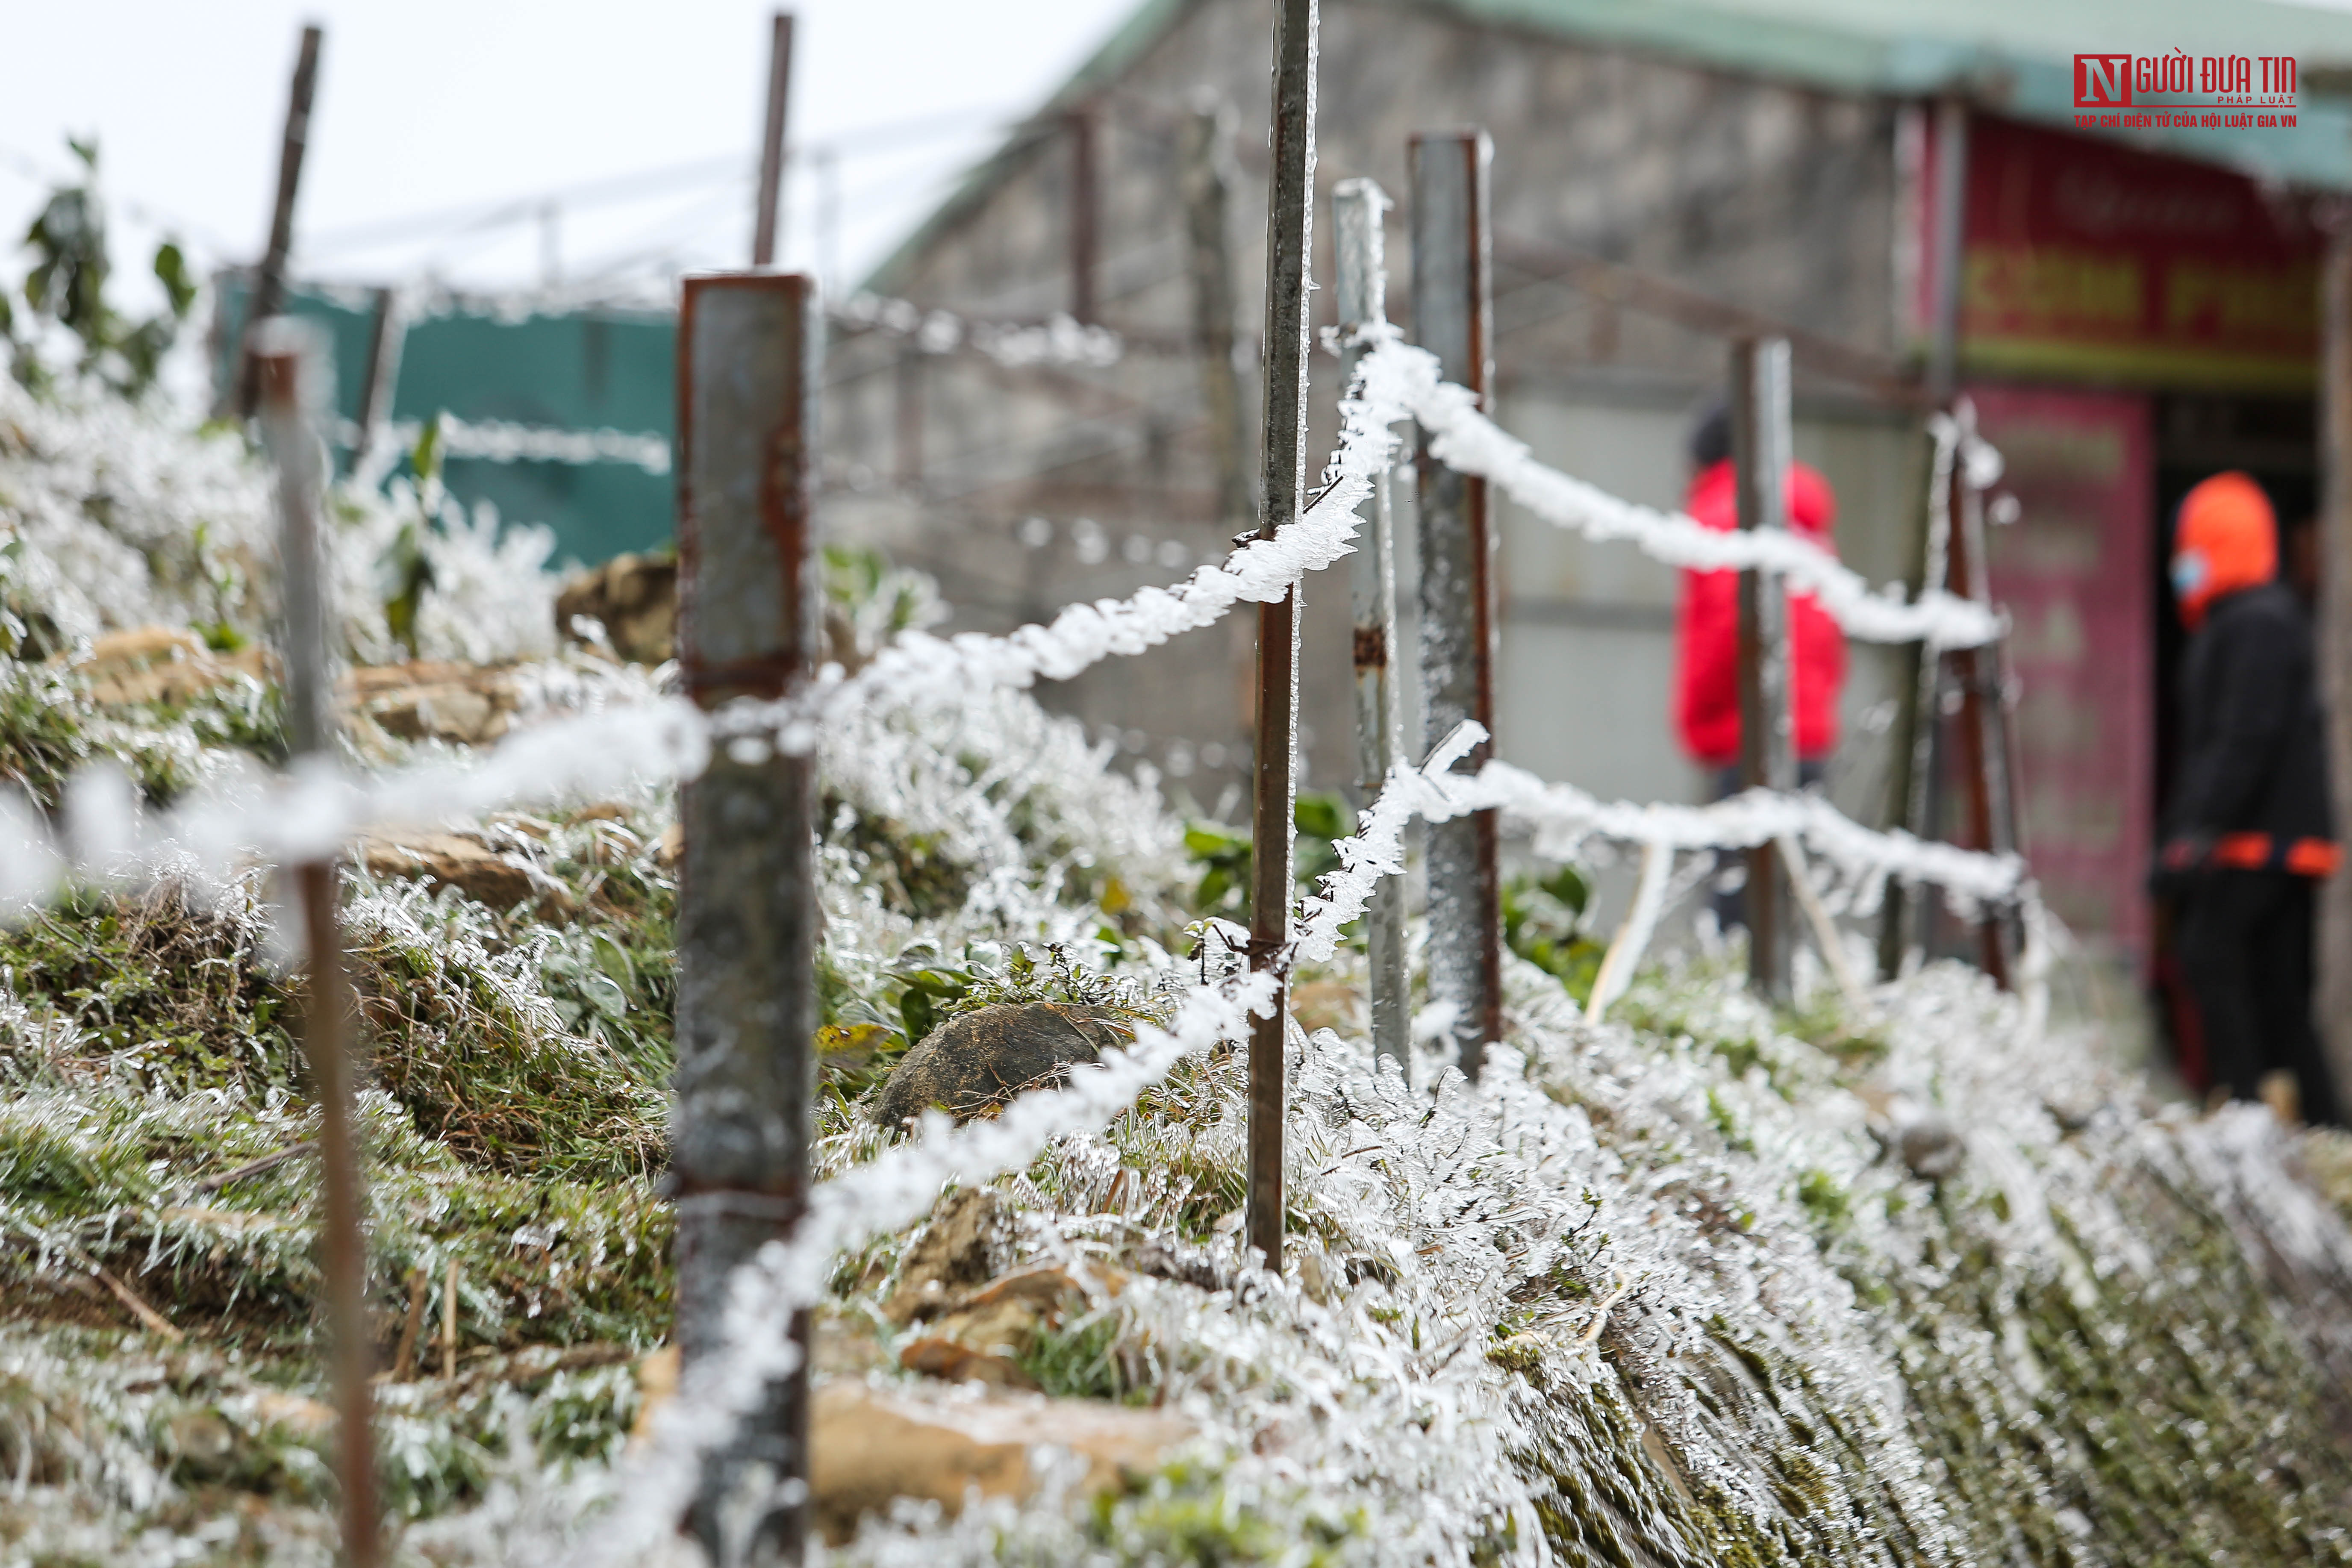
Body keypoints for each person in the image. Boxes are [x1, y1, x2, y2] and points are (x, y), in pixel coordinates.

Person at [2159, 471, 2342, 1126]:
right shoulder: (2248, 622)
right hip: (2268, 839)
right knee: (2279, 993)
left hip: (2261, 841)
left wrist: (2193, 830)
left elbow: (2243, 736)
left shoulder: (2254, 622)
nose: (2178, 564)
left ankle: (2243, 1107)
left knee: (2208, 953)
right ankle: (2322, 1129)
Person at [1672, 403, 1847, 930]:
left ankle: (1741, 998)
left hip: (1742, 726)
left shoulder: (1726, 515)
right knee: (1784, 891)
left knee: (1736, 895)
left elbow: (1728, 631)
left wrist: (1700, 717)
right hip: (1807, 728)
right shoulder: (1802, 523)